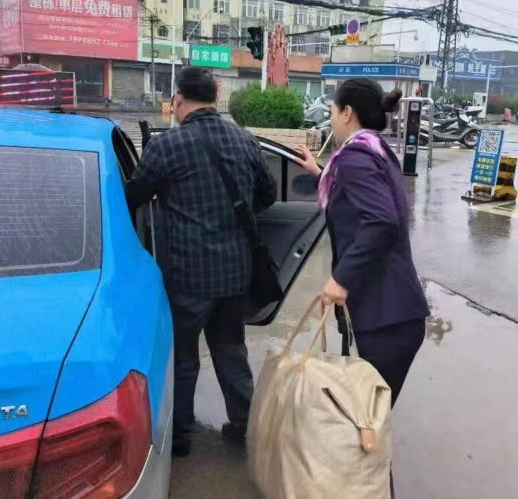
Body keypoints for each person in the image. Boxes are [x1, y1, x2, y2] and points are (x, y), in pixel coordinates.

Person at [126, 67, 277, 457]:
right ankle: (247, 426)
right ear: (216, 97)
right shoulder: (245, 140)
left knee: (183, 357)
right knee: (231, 349)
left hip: (186, 275)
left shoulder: (166, 147)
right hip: (235, 273)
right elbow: (268, 195)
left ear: (178, 100)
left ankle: (180, 437)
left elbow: (134, 195)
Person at [295, 79, 429, 495]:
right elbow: (364, 203)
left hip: (387, 319)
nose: (331, 119)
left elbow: (381, 221)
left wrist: (341, 279)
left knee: (366, 428)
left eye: (333, 112)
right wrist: (320, 173)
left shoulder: (354, 157)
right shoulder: (374, 150)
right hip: (396, 315)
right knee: (369, 420)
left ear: (347, 112)